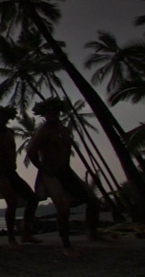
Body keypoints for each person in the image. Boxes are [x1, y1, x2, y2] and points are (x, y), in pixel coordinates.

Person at [27, 97, 100, 257]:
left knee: (93, 201)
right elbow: (31, 151)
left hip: (66, 170)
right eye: (50, 112)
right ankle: (66, 244)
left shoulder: (62, 128)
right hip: (50, 172)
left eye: (56, 112)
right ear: (45, 114)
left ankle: (92, 232)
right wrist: (42, 167)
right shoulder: (43, 131)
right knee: (63, 207)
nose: (53, 114)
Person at [0, 106, 41, 248]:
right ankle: (9, 238)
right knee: (11, 203)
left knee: (33, 199)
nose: (2, 120)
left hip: (11, 172)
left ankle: (26, 234)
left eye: (4, 117)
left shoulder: (10, 132)